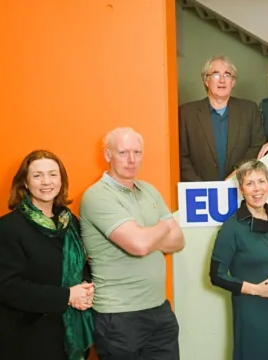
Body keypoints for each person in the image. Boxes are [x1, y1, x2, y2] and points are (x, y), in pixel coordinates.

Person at [79, 127, 185, 360]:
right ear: (108, 155)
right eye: (123, 152)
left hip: (159, 310)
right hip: (119, 317)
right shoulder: (98, 195)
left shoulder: (149, 190)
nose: (131, 160)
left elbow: (179, 241)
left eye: (137, 152)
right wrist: (164, 227)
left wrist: (146, 237)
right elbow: (139, 245)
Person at [0, 150, 94, 360]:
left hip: (70, 338)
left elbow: (81, 265)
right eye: (37, 176)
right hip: (27, 341)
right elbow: (7, 287)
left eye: (53, 174)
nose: (46, 182)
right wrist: (68, 296)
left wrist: (85, 290)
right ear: (25, 183)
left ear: (61, 180)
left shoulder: (70, 221)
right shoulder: (6, 228)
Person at [209, 160, 268, 360]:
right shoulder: (231, 228)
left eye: (261, 181)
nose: (257, 189)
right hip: (252, 311)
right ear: (241, 189)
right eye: (250, 183)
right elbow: (216, 275)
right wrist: (257, 289)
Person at [179, 55, 266, 181]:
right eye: (216, 74)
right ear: (206, 80)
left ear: (233, 82)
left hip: (240, 188)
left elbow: (257, 147)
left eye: (227, 75)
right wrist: (203, 188)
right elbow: (182, 157)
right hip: (200, 192)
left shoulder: (249, 109)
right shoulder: (186, 113)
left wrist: (237, 174)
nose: (222, 80)